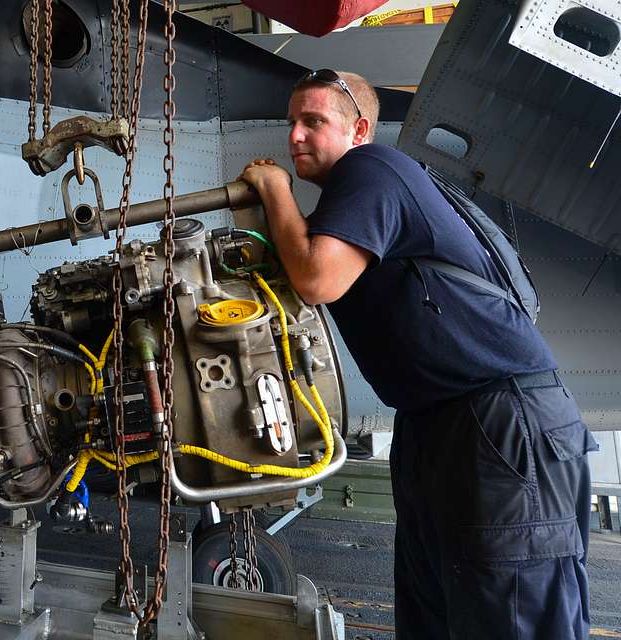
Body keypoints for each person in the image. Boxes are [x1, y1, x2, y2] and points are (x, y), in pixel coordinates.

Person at [240, 70, 596, 639]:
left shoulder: (370, 169)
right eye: (291, 124)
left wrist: (275, 188)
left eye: (314, 122)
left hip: (498, 423)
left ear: (359, 128)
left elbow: (316, 278)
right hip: (440, 423)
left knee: (514, 617)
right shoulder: (353, 197)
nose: (296, 137)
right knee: (441, 615)